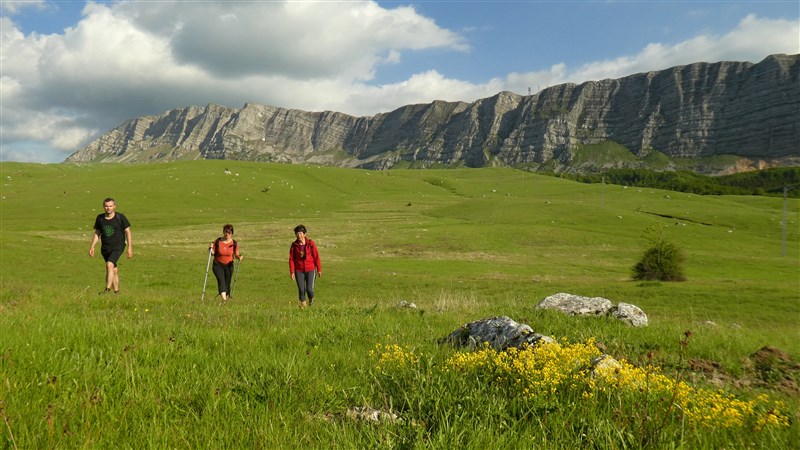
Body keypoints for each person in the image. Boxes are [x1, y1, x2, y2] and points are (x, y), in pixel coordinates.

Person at [89, 197, 133, 294]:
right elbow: (97, 232)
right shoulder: (100, 218)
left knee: (109, 265)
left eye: (110, 206)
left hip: (118, 246)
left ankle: (107, 290)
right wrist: (92, 246)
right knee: (114, 270)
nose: (108, 208)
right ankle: (116, 292)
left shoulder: (120, 217)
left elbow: (128, 232)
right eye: (106, 206)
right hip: (105, 248)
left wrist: (130, 248)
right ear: (103, 207)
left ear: (114, 206)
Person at [289, 224, 322, 308]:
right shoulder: (294, 246)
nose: (299, 235)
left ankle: (311, 300)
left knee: (309, 290)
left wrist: (319, 269)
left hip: (310, 269)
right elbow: (291, 259)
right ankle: (304, 308)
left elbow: (316, 256)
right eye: (297, 234)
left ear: (304, 234)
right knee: (301, 290)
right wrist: (292, 271)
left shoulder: (310, 244)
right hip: (298, 270)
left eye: (300, 233)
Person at [209, 224, 242, 303]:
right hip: (218, 265)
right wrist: (210, 248)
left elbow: (236, 254)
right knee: (221, 281)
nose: (227, 234)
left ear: (232, 233)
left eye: (229, 232)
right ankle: (224, 300)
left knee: (227, 283)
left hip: (229, 265)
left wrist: (239, 257)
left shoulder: (234, 243)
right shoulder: (218, 241)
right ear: (223, 232)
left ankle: (225, 299)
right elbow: (213, 253)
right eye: (226, 232)